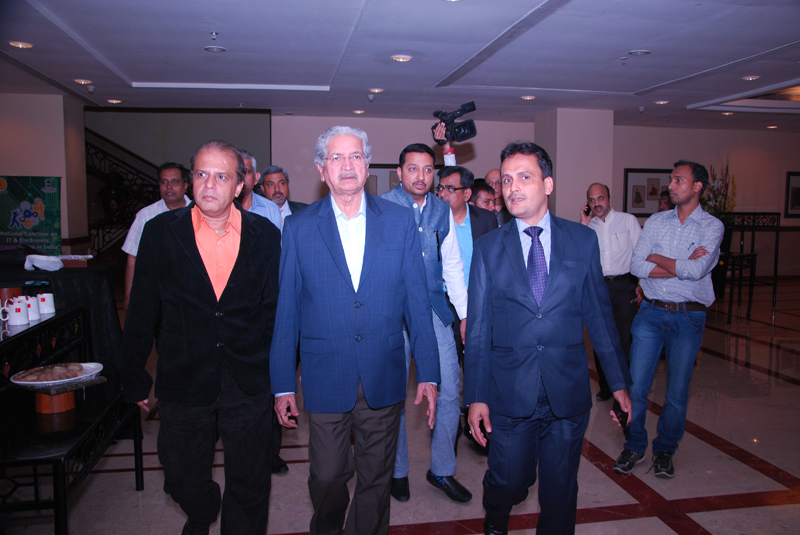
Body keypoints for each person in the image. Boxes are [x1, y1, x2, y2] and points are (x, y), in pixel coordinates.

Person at [270, 126, 440, 535]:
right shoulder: (299, 227)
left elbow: (418, 303)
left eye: (356, 156)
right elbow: (287, 311)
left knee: (376, 479)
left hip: (384, 371)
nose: (347, 165)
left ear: (367, 166)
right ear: (321, 170)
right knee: (327, 477)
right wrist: (282, 385)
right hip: (325, 374)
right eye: (337, 157)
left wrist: (430, 373)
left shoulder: (399, 222)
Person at [465, 141, 632, 535]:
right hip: (509, 391)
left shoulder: (582, 241)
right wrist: (476, 396)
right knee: (509, 481)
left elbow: (599, 316)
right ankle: (496, 513)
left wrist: (620, 383)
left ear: (548, 184)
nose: (513, 187)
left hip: (566, 390)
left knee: (559, 492)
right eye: (507, 180)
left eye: (524, 177)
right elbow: (479, 329)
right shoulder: (488, 248)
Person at [121, 140, 282, 535]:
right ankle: (203, 508)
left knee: (250, 478)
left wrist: (278, 373)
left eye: (221, 176)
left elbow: (275, 308)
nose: (209, 184)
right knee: (180, 475)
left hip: (247, 376)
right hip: (184, 372)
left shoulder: (265, 234)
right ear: (192, 180)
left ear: (240, 185)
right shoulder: (160, 232)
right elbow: (142, 307)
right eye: (201, 174)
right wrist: (133, 373)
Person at [613, 160, 724, 479]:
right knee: (636, 387)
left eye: (678, 180)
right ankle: (634, 445)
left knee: (676, 391)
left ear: (697, 186)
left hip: (688, 316)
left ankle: (664, 450)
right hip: (650, 313)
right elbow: (637, 266)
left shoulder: (712, 227)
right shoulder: (656, 222)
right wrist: (680, 264)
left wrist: (658, 259)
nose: (671, 186)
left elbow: (696, 271)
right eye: (671, 180)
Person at [381, 144, 471, 504]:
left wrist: (464, 315)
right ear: (399, 172)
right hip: (393, 313)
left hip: (434, 310)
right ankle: (397, 470)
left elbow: (452, 265)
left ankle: (442, 470)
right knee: (394, 395)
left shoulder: (441, 210)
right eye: (413, 168)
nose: (421, 176)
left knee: (449, 389)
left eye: (428, 169)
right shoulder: (381, 207)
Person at [235, 155, 289, 475]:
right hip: (229, 314)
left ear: (253, 177)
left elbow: (279, 261)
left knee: (269, 383)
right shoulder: (211, 211)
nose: (241, 176)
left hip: (265, 308)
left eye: (246, 170)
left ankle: (271, 452)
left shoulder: (269, 211)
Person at [580, 183, 642, 401]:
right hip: (598, 287)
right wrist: (584, 224)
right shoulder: (588, 227)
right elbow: (579, 256)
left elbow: (640, 254)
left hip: (624, 286)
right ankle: (606, 386)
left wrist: (641, 284)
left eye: (600, 198)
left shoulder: (628, 221)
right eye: (592, 200)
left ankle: (624, 387)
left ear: (609, 199)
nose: (596, 203)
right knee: (600, 338)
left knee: (624, 339)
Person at [436, 165, 498, 359]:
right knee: (449, 361)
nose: (442, 194)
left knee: (479, 359)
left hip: (479, 299)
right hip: (445, 301)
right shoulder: (433, 221)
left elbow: (494, 261)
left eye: (450, 189)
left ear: (467, 194)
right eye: (440, 188)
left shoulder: (486, 220)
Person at [122, 162, 191, 311]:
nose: (169, 186)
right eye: (164, 182)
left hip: (191, 292)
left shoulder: (199, 213)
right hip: (155, 293)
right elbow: (133, 256)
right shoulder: (146, 215)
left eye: (175, 182)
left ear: (186, 185)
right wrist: (128, 295)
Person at [237, 149, 282, 232]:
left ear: (256, 177)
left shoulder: (271, 210)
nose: (242, 177)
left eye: (246, 171)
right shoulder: (220, 208)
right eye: (238, 172)